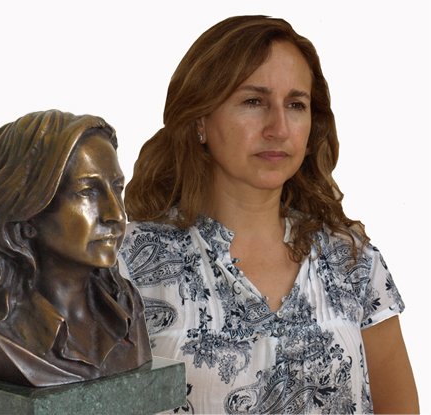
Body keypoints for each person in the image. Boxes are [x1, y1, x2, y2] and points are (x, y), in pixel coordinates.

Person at [118, 16, 419, 413]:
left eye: (296, 105)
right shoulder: (127, 264)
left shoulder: (351, 260)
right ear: (199, 120)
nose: (278, 128)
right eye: (253, 101)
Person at [0, 109, 151, 387]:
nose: (116, 214)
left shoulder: (127, 311)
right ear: (28, 213)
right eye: (87, 192)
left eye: (117, 188)